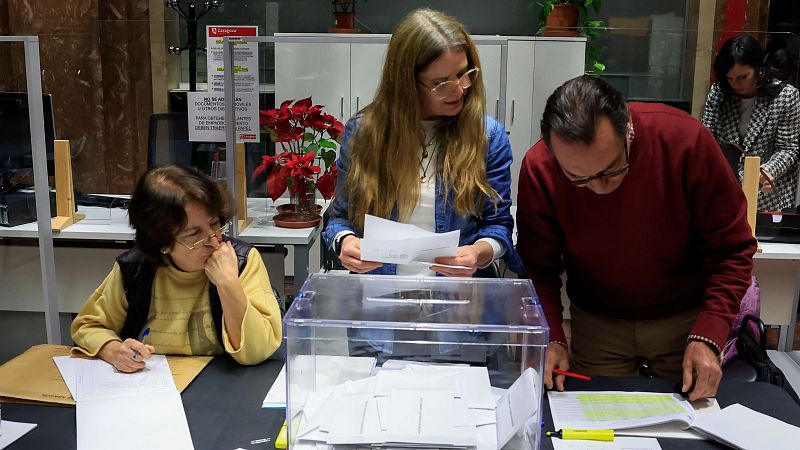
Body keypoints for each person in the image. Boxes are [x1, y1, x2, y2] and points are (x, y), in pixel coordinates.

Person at [517, 75, 758, 401]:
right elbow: (538, 266)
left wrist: (710, 332)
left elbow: (733, 248)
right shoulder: (540, 168)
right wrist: (553, 336)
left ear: (628, 129)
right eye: (577, 178)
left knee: (686, 425)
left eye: (610, 170)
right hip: (597, 323)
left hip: (684, 320)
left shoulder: (684, 142)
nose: (599, 189)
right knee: (599, 422)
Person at [321, 8, 522, 277]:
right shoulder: (364, 134)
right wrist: (345, 242)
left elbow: (498, 225)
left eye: (464, 73)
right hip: (382, 293)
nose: (460, 88)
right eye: (441, 83)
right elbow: (340, 217)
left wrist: (478, 253)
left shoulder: (487, 136)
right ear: (405, 84)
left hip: (459, 296)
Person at [71, 165, 281, 372]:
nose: (214, 241)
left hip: (224, 387)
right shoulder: (135, 269)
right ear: (162, 243)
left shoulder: (241, 260)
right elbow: (88, 326)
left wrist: (228, 283)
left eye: (215, 224)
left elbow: (258, 351)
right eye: (194, 235)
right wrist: (114, 351)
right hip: (150, 387)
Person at [702, 34, 800, 211]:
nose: (736, 84)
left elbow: (788, 148)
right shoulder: (719, 92)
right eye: (730, 78)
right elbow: (707, 140)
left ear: (758, 68)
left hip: (767, 197)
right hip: (725, 193)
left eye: (742, 77)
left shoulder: (786, 96)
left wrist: (768, 171)